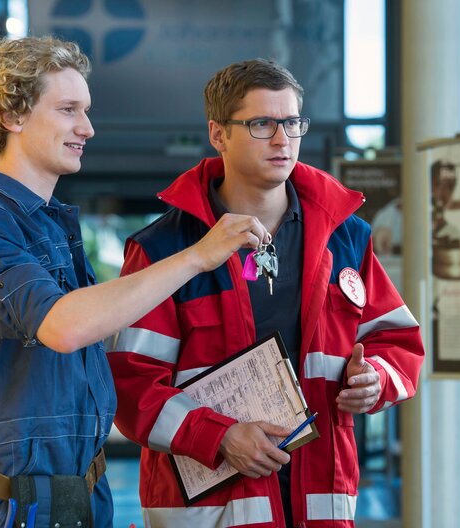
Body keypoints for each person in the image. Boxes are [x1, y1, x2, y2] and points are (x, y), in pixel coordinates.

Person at [0, 36, 271, 527]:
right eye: (68, 109)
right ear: (12, 115)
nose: (87, 128)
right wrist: (196, 257)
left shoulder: (53, 226)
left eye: (85, 110)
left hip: (82, 498)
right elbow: (63, 327)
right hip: (8, 510)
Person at [106, 58, 424, 527]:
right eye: (261, 124)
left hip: (322, 504)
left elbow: (397, 343)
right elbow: (131, 389)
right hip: (211, 510)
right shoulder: (164, 249)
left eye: (292, 122)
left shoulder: (346, 237)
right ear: (218, 134)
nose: (283, 139)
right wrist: (219, 436)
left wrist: (374, 379)